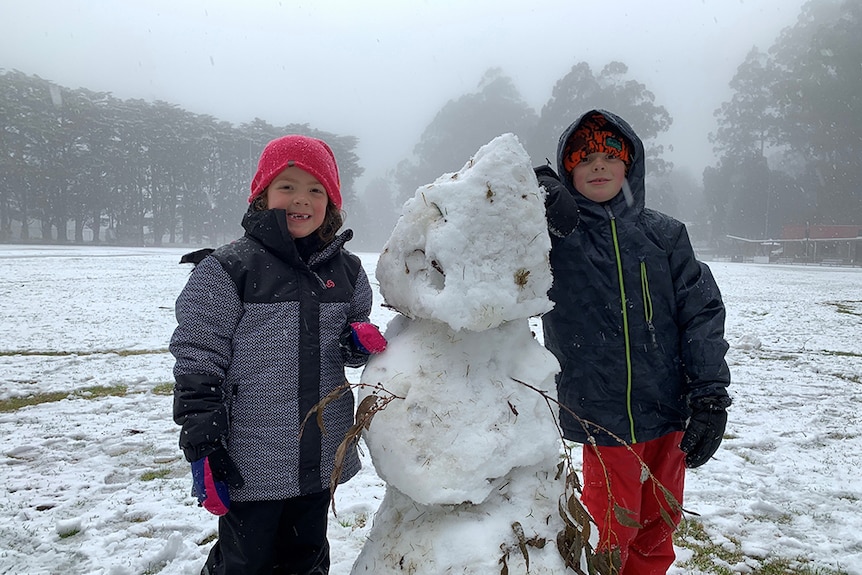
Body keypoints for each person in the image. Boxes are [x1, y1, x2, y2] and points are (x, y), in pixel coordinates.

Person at [170, 134, 387, 575]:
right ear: (262, 195)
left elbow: (347, 347)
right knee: (245, 562)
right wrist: (204, 444)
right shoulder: (230, 268)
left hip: (321, 451)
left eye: (315, 190)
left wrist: (355, 342)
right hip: (251, 457)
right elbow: (197, 357)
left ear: (332, 201)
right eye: (287, 186)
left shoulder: (347, 271)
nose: (300, 200)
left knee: (307, 559)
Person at [535, 110, 731, 574]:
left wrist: (708, 395)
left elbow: (701, 312)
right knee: (609, 528)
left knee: (659, 523)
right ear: (569, 173)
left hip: (668, 409)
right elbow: (492, 247)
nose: (598, 166)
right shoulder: (556, 239)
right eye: (585, 160)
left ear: (630, 166)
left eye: (609, 157)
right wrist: (530, 194)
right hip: (602, 417)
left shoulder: (665, 235)